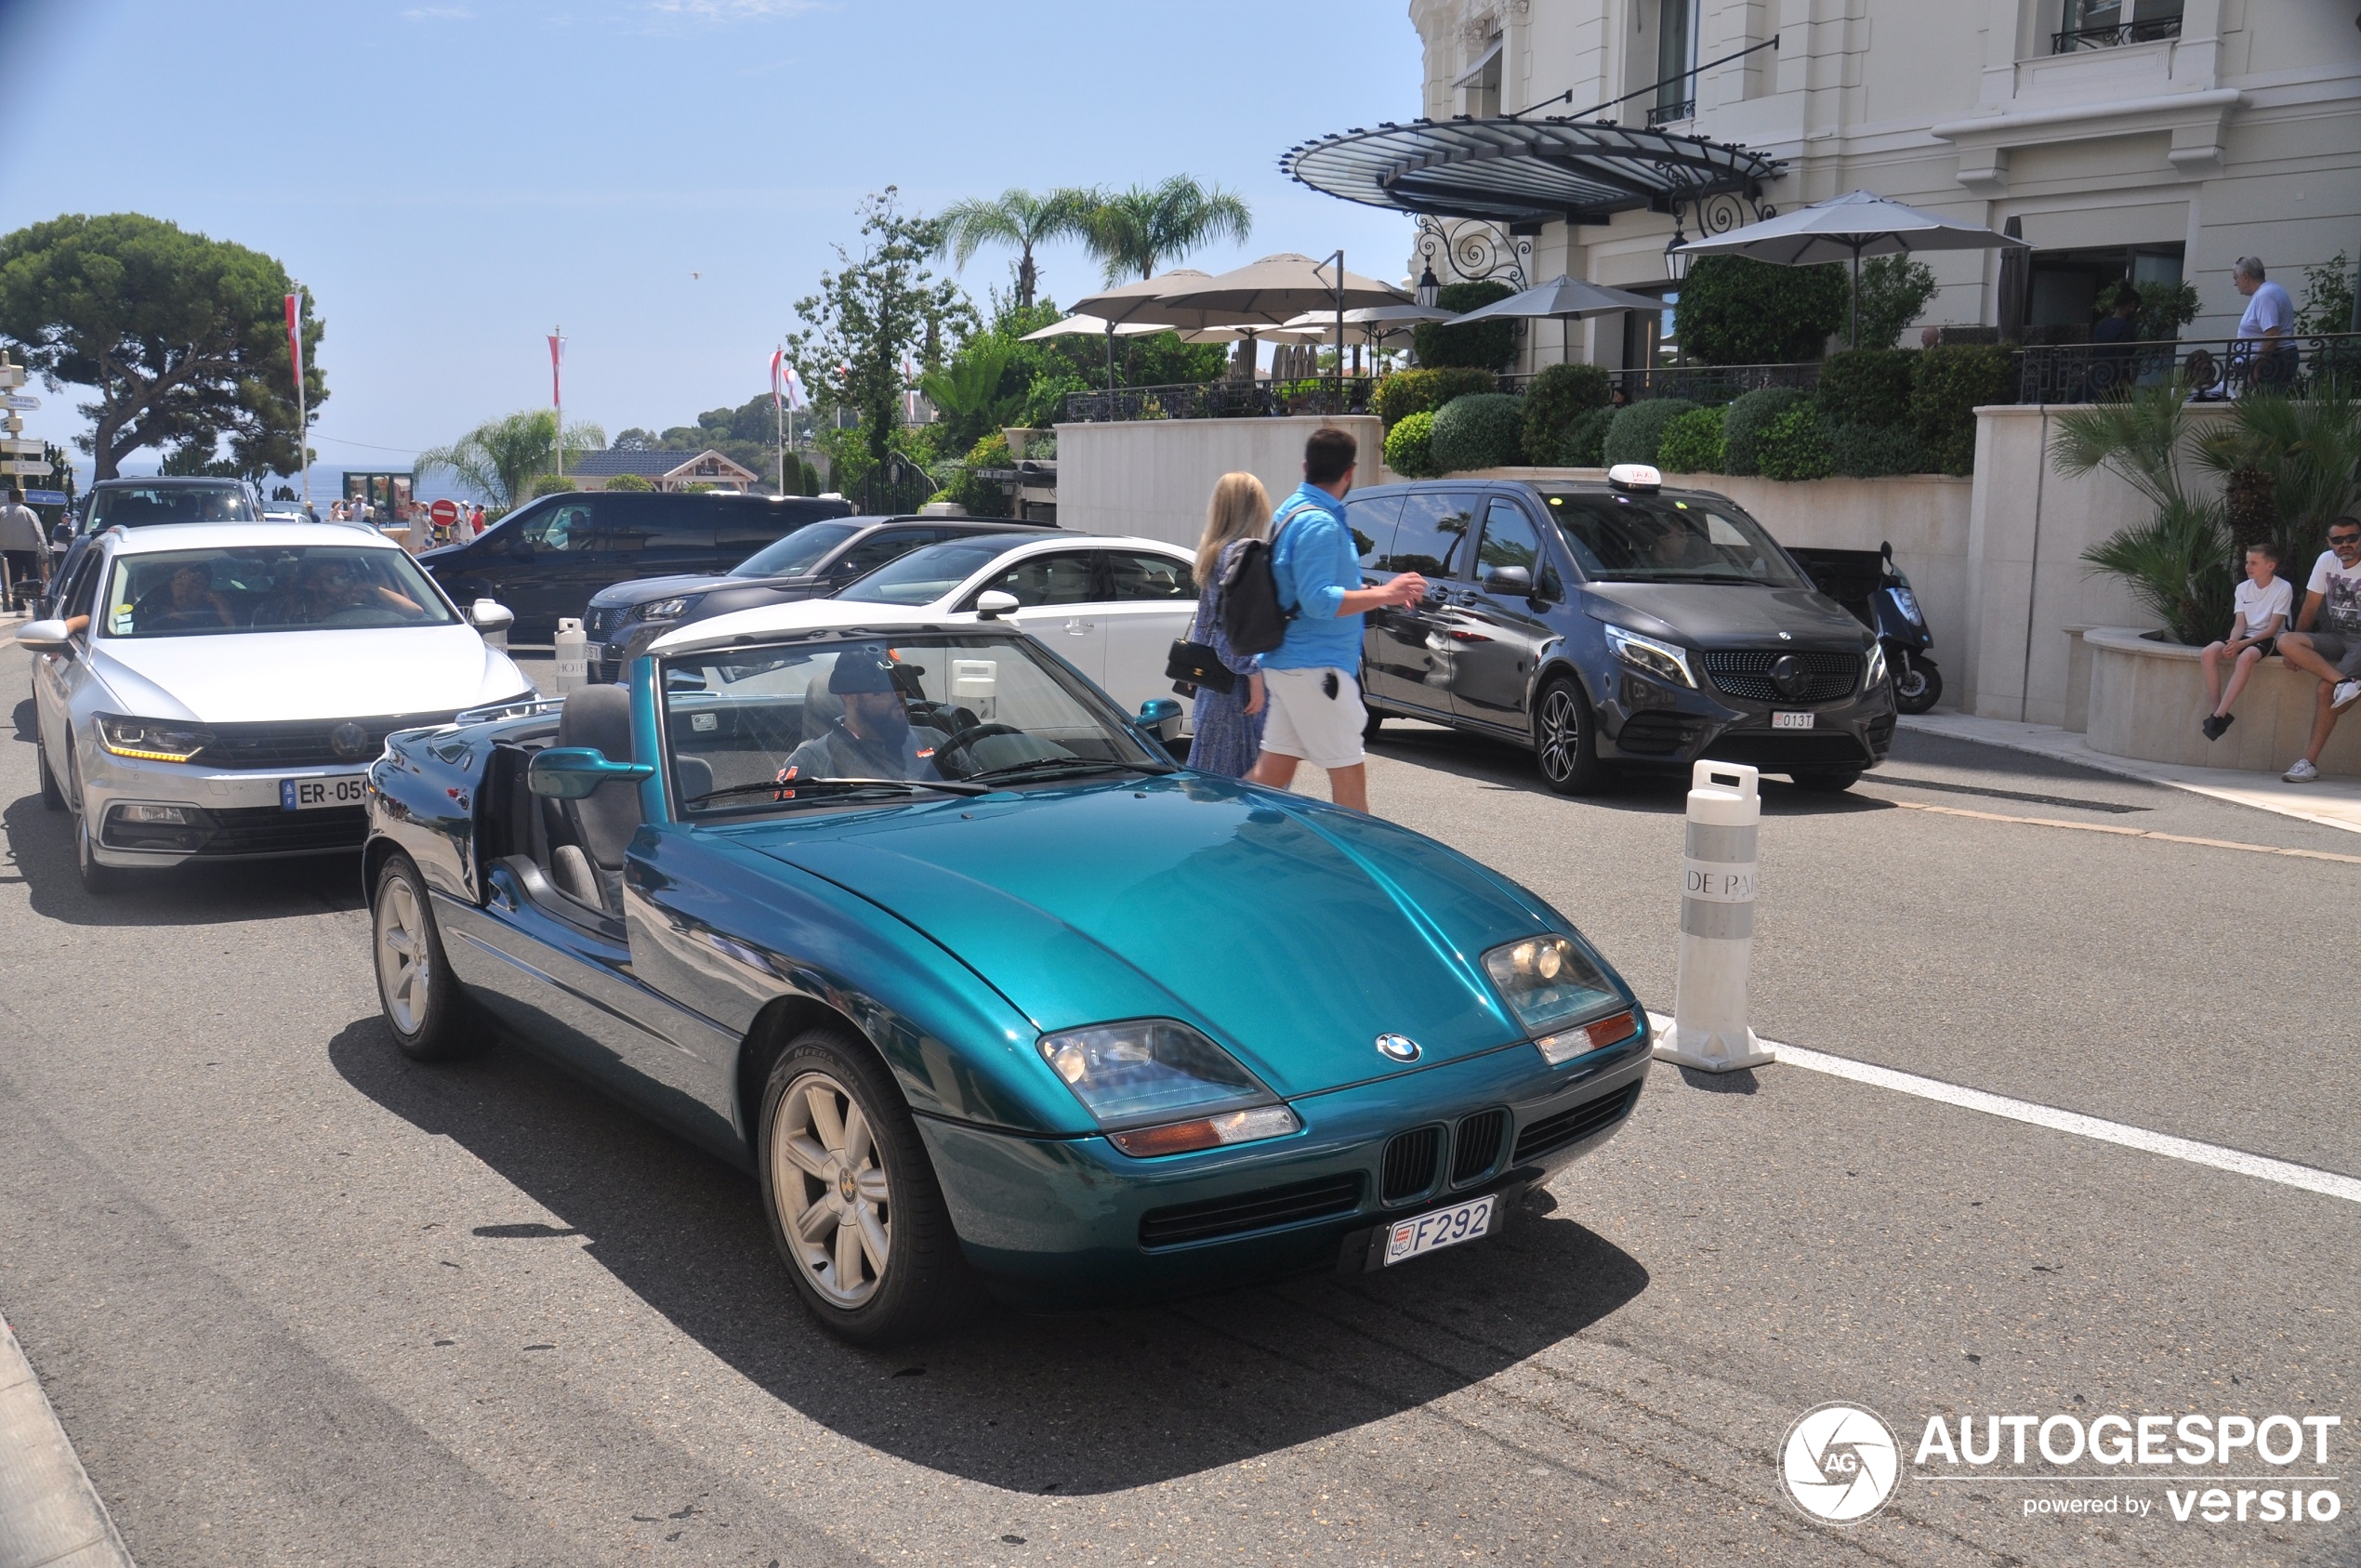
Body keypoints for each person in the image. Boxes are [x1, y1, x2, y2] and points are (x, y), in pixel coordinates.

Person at [1242, 428, 1426, 813]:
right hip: (1317, 670)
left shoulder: (1290, 512)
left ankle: (1219, 842)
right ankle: (1358, 872)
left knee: (1271, 776)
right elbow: (1319, 601)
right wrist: (1388, 593)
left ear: (1306, 466)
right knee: (1349, 778)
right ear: (1350, 473)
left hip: (1290, 665)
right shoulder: (1321, 524)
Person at [1183, 473, 1271, 778]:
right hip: (1237, 691)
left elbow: (1207, 620)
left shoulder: (1214, 551)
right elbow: (1229, 631)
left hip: (1215, 684)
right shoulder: (1239, 553)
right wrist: (1255, 675)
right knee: (1249, 789)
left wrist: (1197, 660)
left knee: (1212, 786)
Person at [2276, 515, 2361, 782]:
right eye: (2338, 539)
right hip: (2338, 636)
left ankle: (2309, 763)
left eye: (2352, 538)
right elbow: (2311, 606)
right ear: (2330, 542)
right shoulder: (2326, 561)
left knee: (2326, 689)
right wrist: (2294, 653)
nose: (2345, 544)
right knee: (2286, 641)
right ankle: (2346, 682)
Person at [780, 646, 945, 782]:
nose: (897, 693)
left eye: (899, 682)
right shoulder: (813, 762)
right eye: (882, 686)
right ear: (849, 696)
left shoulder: (936, 740)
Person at [2198, 542, 2289, 740]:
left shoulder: (2283, 588)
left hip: (2268, 637)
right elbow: (2240, 623)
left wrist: (2243, 645)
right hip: (2245, 635)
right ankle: (2217, 712)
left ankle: (2220, 715)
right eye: (2247, 562)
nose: (2248, 566)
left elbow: (2272, 628)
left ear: (2270, 566)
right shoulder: (2242, 588)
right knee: (2208, 653)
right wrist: (2233, 642)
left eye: (2254, 563)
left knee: (2246, 657)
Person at [2232, 257, 2296, 392]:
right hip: (2275, 360)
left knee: (2262, 407)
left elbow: (2272, 335)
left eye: (2235, 277)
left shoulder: (2264, 296)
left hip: (2272, 363)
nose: (2235, 283)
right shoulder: (2270, 291)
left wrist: (2257, 367)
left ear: (2246, 276)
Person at [134, 561, 238, 632]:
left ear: (206, 591)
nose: (185, 591)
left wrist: (225, 612)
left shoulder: (212, 617)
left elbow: (233, 643)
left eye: (196, 585)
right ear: (171, 585)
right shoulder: (150, 617)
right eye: (180, 584)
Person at [0, 485, 48, 610]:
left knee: (15, 576)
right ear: (21, 498)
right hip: (29, 549)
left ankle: (18, 602)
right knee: (32, 575)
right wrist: (44, 553)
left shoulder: (2, 511)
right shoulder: (28, 512)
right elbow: (39, 532)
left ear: (9, 499)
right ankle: (35, 601)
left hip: (10, 549)